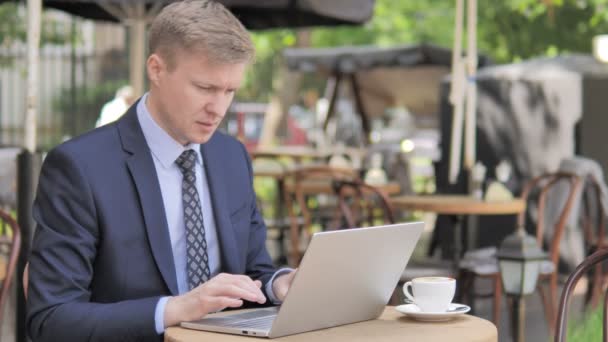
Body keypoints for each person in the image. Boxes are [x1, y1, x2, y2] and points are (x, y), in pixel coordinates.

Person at [26, 1, 295, 341]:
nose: (218, 109)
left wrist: (281, 283)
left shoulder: (232, 157)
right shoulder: (79, 167)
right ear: (156, 69)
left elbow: (255, 271)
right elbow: (51, 320)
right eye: (205, 88)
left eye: (230, 91)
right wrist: (177, 309)